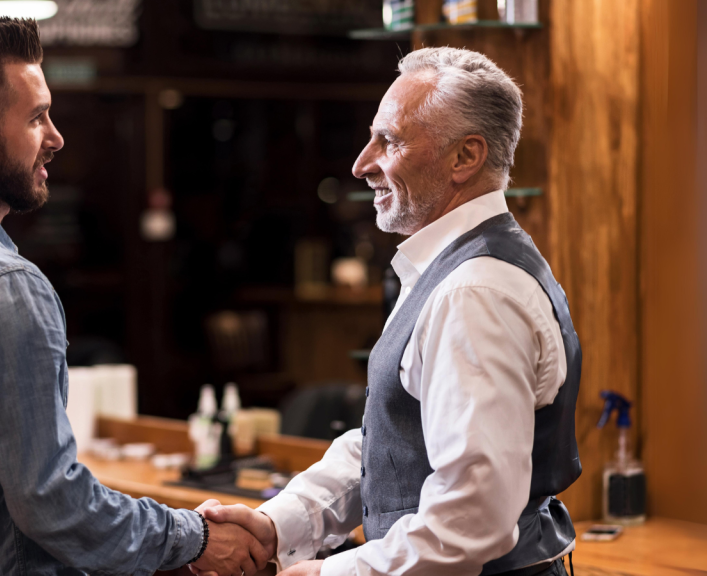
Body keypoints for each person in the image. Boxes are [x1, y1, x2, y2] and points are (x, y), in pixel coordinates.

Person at [0, 16, 269, 576]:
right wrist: (195, 536)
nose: (57, 136)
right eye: (37, 117)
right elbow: (57, 506)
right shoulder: (3, 287)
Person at [201, 47, 582, 576]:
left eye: (391, 140)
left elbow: (471, 519)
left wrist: (332, 574)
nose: (361, 163)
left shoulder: (472, 293)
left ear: (465, 158)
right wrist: (279, 523)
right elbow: (392, 447)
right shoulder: (452, 272)